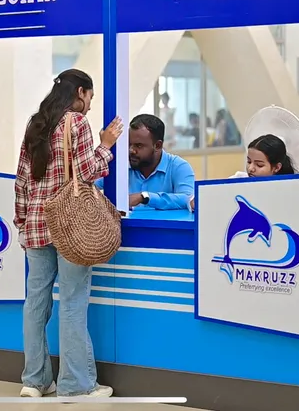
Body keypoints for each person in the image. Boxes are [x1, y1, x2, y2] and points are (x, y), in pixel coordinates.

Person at [14, 68, 123, 399]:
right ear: (80, 92)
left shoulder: (36, 124)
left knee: (36, 304)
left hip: (35, 224)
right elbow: (87, 172)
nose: (90, 104)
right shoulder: (75, 123)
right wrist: (105, 145)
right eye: (90, 96)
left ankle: (35, 381)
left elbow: (21, 180)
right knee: (73, 303)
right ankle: (76, 384)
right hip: (70, 226)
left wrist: (22, 221)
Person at [96, 114, 194, 210]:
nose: (131, 150)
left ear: (157, 145)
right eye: (129, 144)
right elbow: (87, 183)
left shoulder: (178, 167)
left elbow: (188, 199)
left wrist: (145, 197)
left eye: (138, 146)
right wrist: (104, 148)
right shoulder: (120, 166)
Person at [231, 134, 296, 178]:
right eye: (249, 161)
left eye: (259, 165)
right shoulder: (237, 180)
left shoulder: (289, 189)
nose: (250, 168)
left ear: (276, 167)